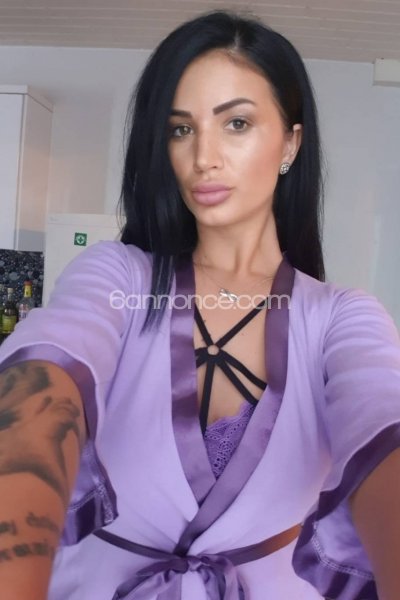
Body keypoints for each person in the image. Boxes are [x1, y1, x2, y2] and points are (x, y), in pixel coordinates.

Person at [0, 10, 399, 600]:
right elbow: (40, 389)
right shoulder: (119, 276)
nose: (203, 156)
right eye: (181, 129)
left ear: (290, 143)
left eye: (236, 123)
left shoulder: (340, 317)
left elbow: (381, 423)